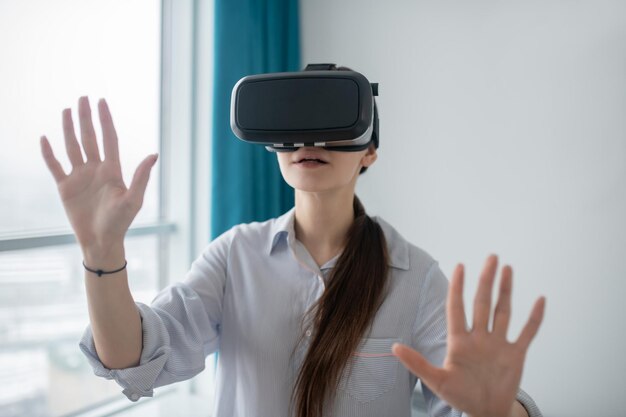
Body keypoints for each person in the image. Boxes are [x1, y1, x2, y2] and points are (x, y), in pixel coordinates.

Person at [40, 95, 545, 417]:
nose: (311, 139)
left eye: (333, 119)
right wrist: (101, 252)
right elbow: (135, 359)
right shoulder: (234, 256)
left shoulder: (415, 279)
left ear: (369, 151)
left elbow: (465, 401)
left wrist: (498, 413)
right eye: (295, 121)